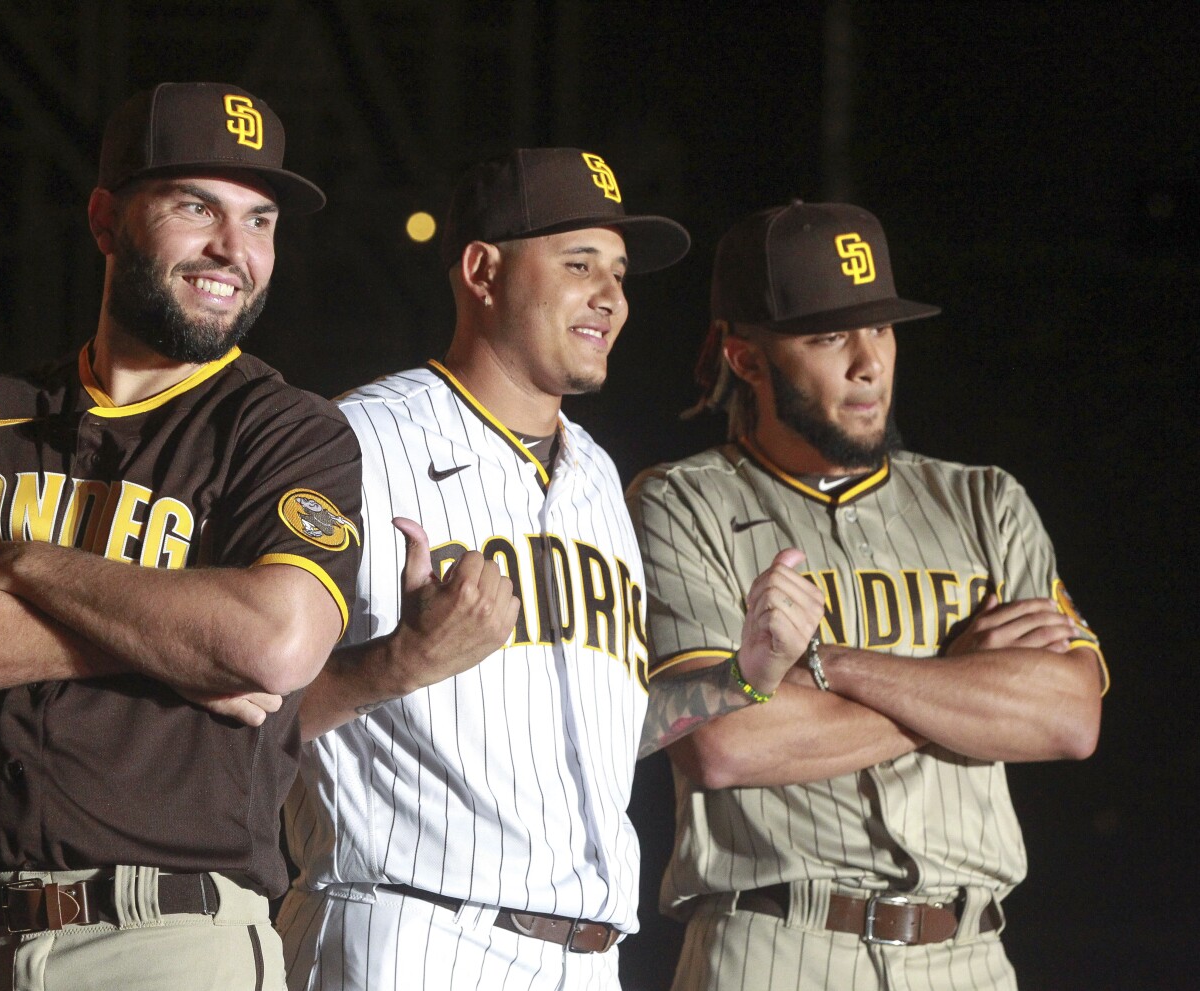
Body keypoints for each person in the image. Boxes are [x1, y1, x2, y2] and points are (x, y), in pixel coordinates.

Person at [0, 82, 361, 991]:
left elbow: (274, 642)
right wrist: (180, 644)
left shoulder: (287, 430)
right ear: (108, 219)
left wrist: (14, 561)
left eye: (261, 219)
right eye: (197, 207)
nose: (234, 249)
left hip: (166, 940)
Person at [276, 149, 819, 991]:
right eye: (578, 265)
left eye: (620, 272)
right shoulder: (357, 442)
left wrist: (745, 677)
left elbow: (604, 730)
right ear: (483, 270)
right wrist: (399, 663)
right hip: (413, 930)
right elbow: (235, 705)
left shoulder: (597, 475)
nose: (611, 296)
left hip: (586, 955)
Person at [628, 200, 1108, 991]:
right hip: (775, 940)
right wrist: (962, 683)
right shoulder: (682, 501)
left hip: (969, 952)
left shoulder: (987, 502)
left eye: (881, 329)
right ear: (746, 358)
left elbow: (1068, 715)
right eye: (828, 336)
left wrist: (830, 665)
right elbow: (726, 744)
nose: (869, 362)